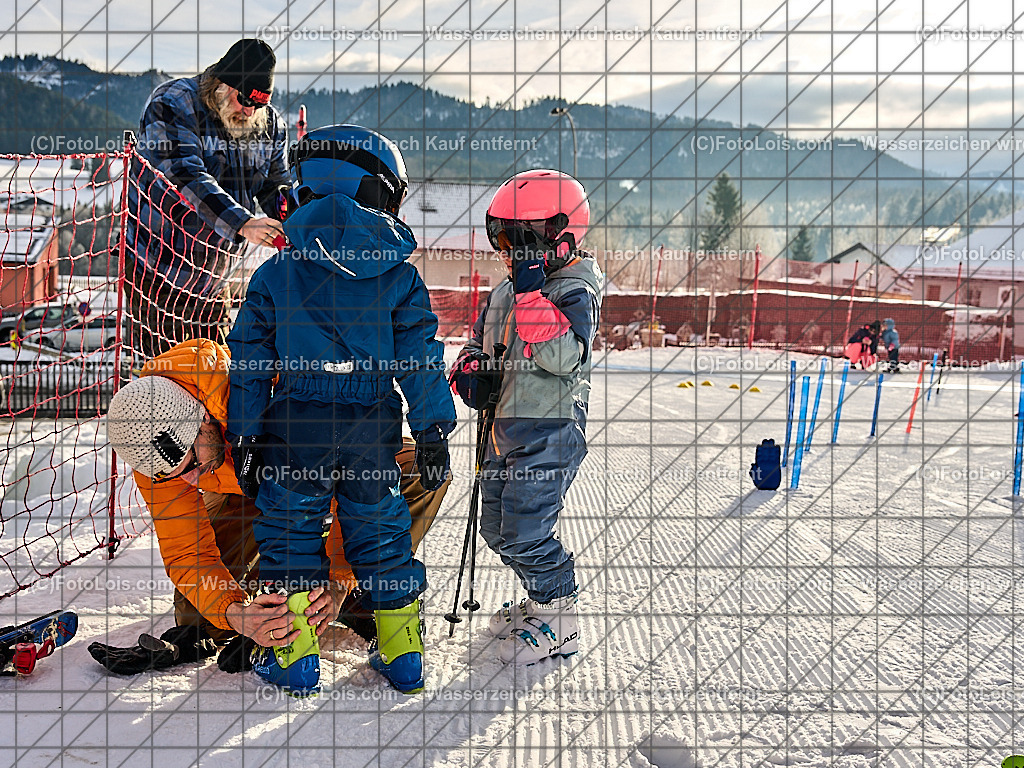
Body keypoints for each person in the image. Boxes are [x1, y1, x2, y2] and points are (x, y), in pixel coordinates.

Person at [226, 124, 456, 695]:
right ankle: (403, 653)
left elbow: (250, 362)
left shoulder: (275, 273)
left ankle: (295, 658)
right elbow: (421, 358)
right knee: (380, 531)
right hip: (370, 424)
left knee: (290, 531)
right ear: (377, 191)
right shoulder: (399, 276)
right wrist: (431, 432)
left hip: (294, 423)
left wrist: (245, 437)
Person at [94, 339, 450, 682]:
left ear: (203, 421)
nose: (190, 481)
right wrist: (236, 614)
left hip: (324, 466)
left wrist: (339, 580)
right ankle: (271, 612)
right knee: (200, 616)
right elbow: (186, 552)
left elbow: (358, 482)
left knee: (414, 472)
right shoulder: (152, 451)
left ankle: (364, 590)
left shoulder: (268, 385)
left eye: (192, 466)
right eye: (176, 475)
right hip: (245, 490)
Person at [449, 169, 604, 665]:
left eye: (517, 241)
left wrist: (532, 297)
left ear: (559, 236)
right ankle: (541, 602)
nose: (506, 253)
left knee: (527, 531)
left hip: (549, 429)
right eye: (499, 239)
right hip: (502, 428)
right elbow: (477, 341)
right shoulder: (505, 291)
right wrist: (470, 368)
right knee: (498, 528)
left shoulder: (574, 291)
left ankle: (560, 617)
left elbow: (562, 357)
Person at [124, 38, 290, 359]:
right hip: (157, 274)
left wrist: (293, 217)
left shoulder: (268, 124)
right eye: (245, 99)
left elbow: (275, 185)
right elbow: (184, 175)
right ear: (222, 84)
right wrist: (244, 223)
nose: (249, 111)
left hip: (213, 280)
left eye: (259, 104)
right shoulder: (173, 103)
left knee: (217, 374)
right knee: (164, 376)